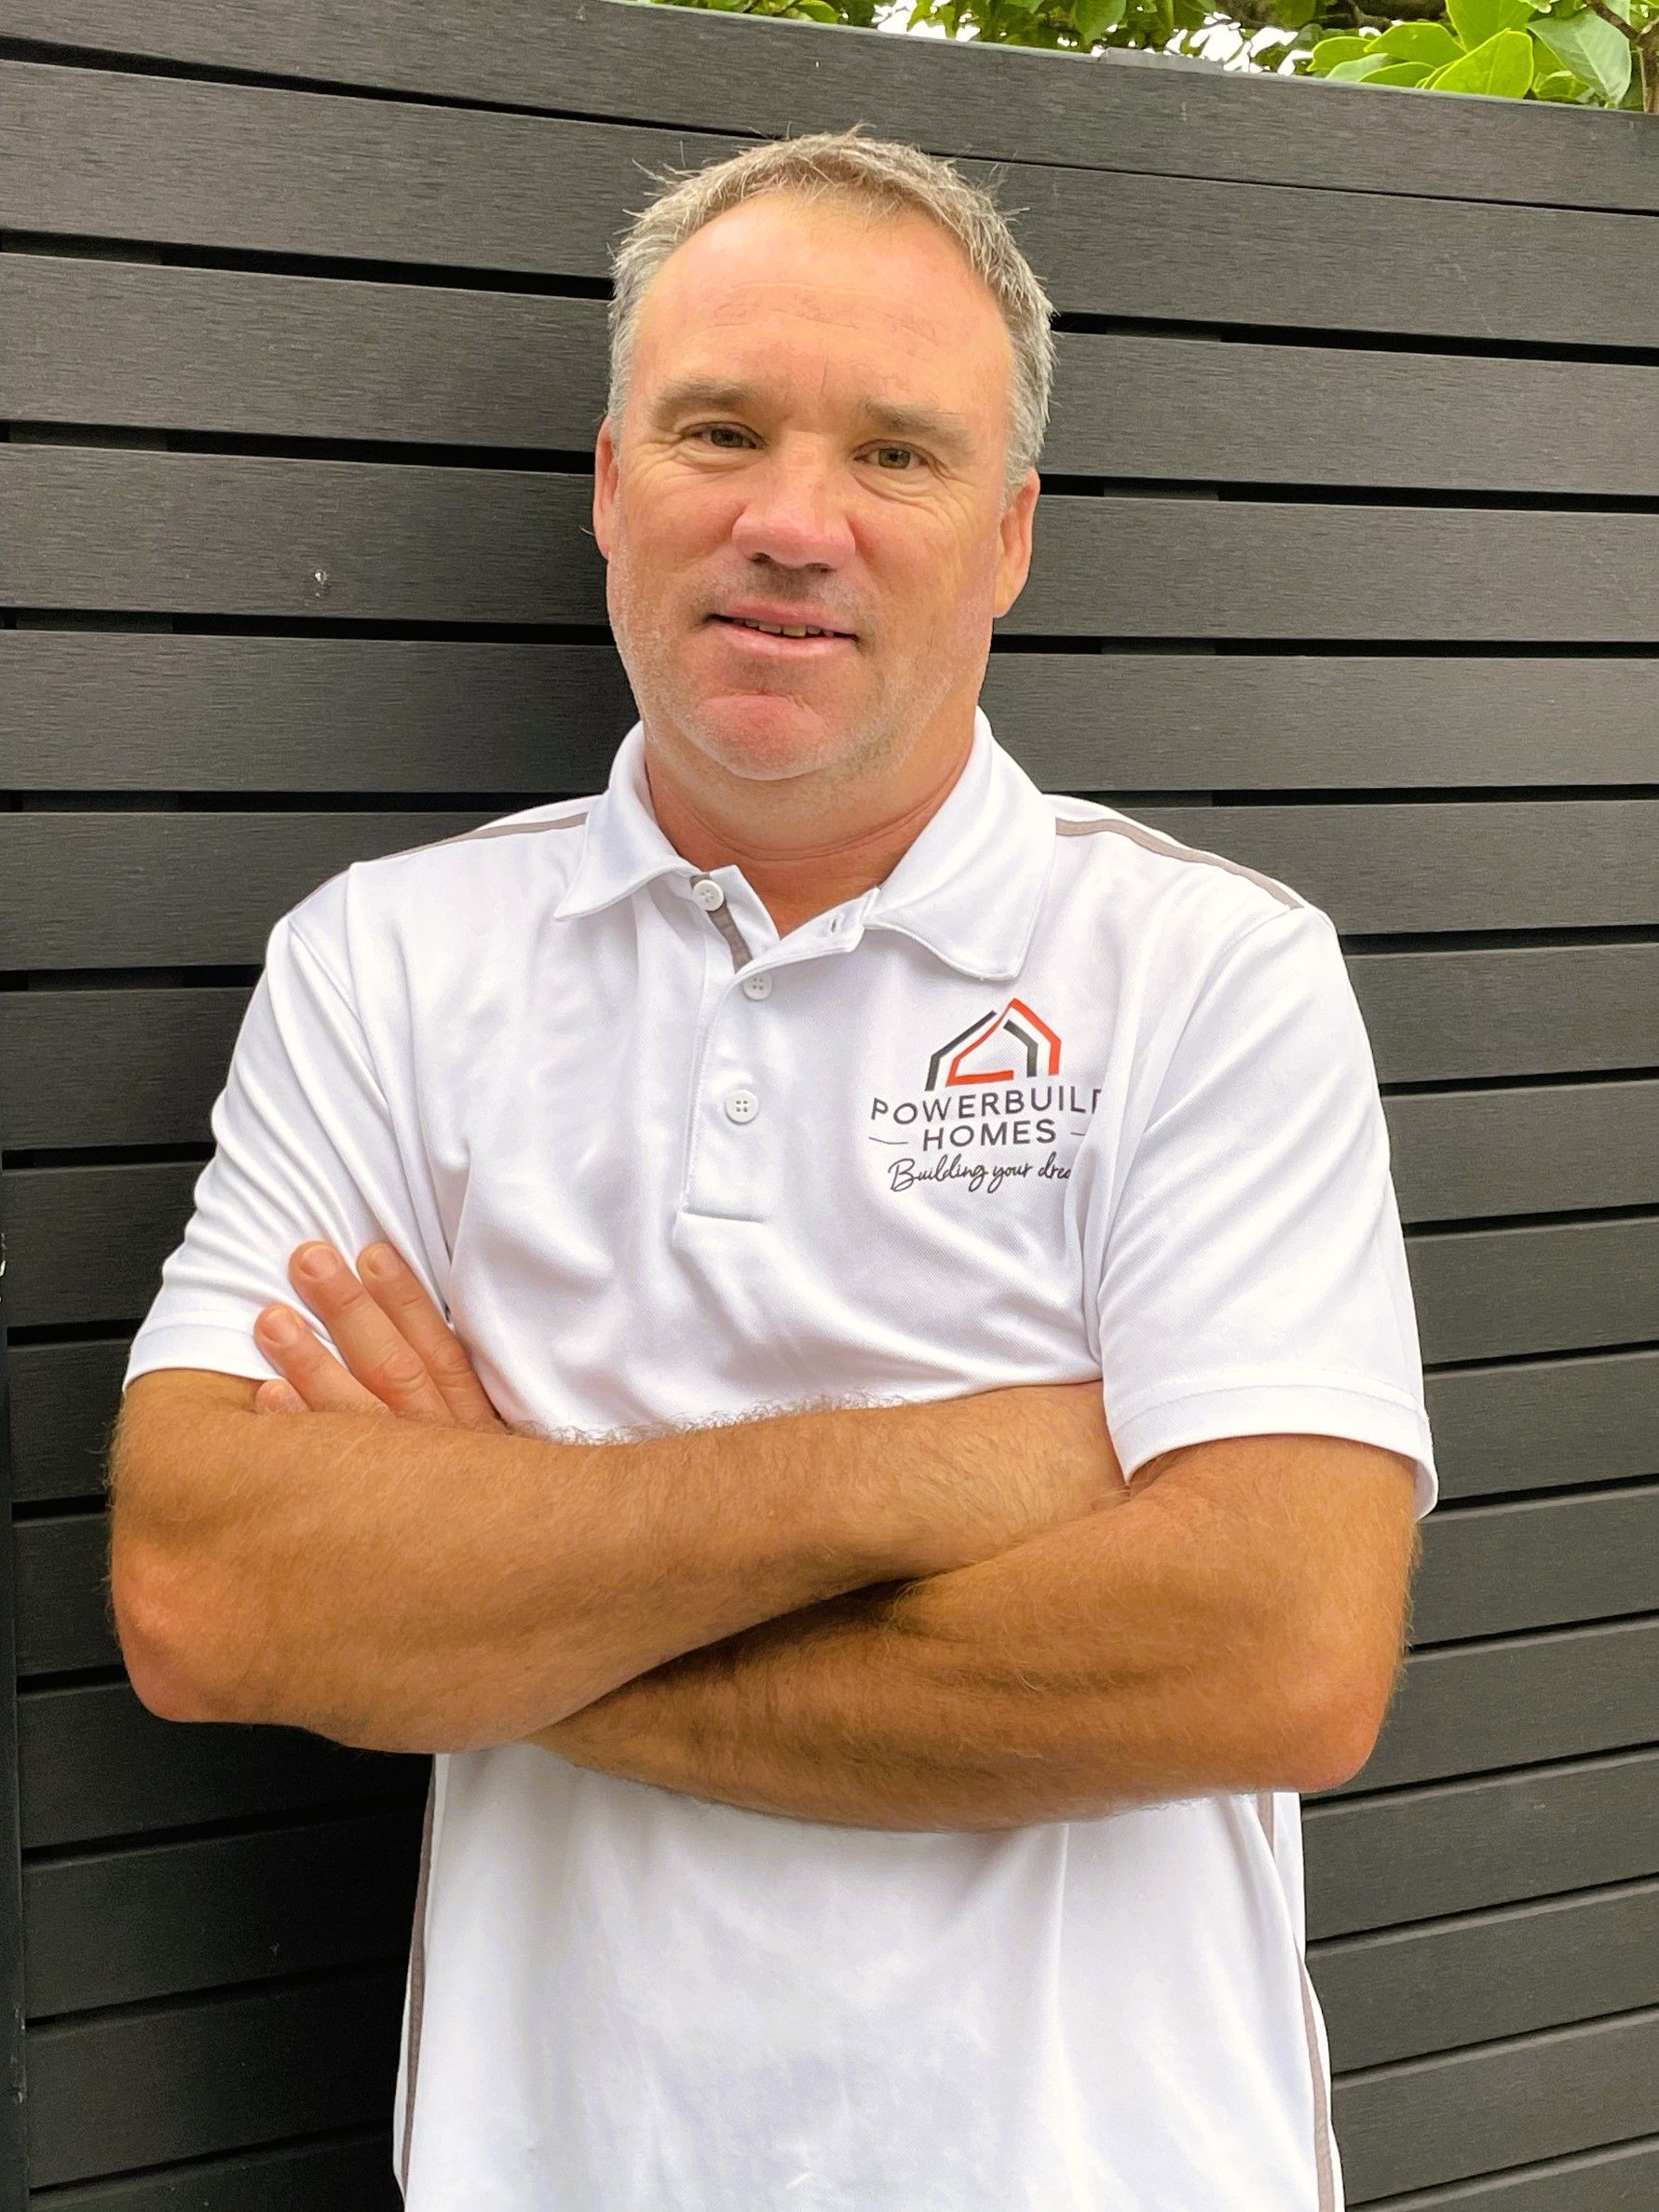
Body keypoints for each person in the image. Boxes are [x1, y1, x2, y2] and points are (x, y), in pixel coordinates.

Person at [108, 125, 1436, 2212]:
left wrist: (494, 1592)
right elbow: (210, 1594)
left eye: (897, 457)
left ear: (1007, 537)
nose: (791, 521)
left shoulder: (1206, 970)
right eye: (719, 429)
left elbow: (1276, 1652)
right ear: (614, 485)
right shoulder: (387, 960)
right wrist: (970, 1465)